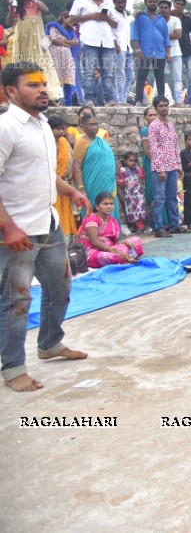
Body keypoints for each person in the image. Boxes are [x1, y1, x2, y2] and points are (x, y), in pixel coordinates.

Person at [0, 61, 91, 392]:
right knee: (16, 300)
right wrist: (8, 228)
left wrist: (70, 191)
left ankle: (50, 344)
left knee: (60, 288)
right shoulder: (6, 127)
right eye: (32, 85)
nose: (42, 89)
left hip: (47, 223)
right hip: (15, 231)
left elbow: (39, 171)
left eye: (43, 84)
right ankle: (12, 368)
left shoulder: (40, 125)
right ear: (11, 91)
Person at [5, 0, 62, 100]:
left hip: (37, 41)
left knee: (41, 62)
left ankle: (47, 95)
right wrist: (11, 8)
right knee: (23, 64)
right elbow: (9, 22)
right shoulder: (17, 6)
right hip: (23, 41)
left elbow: (46, 9)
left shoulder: (36, 3)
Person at [67, 0, 119, 106]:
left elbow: (115, 24)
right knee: (88, 71)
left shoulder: (108, 3)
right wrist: (90, 16)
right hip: (89, 41)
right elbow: (71, 19)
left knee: (108, 72)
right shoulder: (80, 1)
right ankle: (89, 99)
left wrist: (105, 17)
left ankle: (109, 100)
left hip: (107, 42)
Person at [148, 96, 189, 238]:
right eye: (160, 106)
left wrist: (179, 165)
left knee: (172, 197)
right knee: (159, 198)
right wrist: (160, 169)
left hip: (172, 166)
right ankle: (158, 227)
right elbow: (154, 148)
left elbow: (175, 147)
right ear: (156, 108)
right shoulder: (154, 126)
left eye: (166, 105)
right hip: (161, 168)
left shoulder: (170, 125)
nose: (164, 108)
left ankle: (174, 224)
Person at [72, 113, 120, 229]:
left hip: (108, 183)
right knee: (95, 208)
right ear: (83, 127)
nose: (94, 127)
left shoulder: (102, 141)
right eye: (91, 124)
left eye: (96, 124)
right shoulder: (81, 142)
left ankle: (111, 235)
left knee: (109, 206)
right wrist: (81, 188)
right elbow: (77, 167)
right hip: (92, 184)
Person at [79, 192, 144, 268]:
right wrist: (114, 250)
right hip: (92, 251)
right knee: (115, 257)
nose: (109, 206)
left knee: (136, 240)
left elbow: (115, 242)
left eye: (111, 203)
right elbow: (94, 242)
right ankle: (125, 258)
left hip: (109, 247)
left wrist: (126, 242)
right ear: (97, 207)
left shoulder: (112, 220)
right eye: (105, 204)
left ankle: (125, 257)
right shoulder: (92, 219)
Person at [130, 0, 171, 106]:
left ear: (156, 3)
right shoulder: (139, 17)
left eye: (154, 1)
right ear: (146, 3)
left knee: (160, 77)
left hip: (160, 52)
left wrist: (168, 53)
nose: (152, 3)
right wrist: (137, 49)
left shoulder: (161, 19)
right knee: (141, 76)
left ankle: (161, 101)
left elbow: (166, 37)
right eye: (150, 1)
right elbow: (134, 34)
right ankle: (138, 100)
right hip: (144, 52)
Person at [47, 116, 79, 238]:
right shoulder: (45, 143)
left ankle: (66, 242)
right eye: (57, 129)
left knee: (65, 214)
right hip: (50, 186)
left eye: (62, 129)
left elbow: (70, 161)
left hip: (64, 185)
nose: (61, 132)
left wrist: (69, 179)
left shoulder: (64, 143)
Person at [44, 11, 79, 105]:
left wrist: (64, 42)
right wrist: (67, 43)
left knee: (67, 80)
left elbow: (76, 41)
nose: (72, 21)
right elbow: (54, 39)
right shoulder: (53, 26)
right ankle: (52, 102)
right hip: (55, 55)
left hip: (67, 56)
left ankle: (68, 104)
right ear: (63, 18)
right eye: (69, 18)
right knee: (54, 78)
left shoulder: (71, 30)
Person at [109, 0, 134, 104]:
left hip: (128, 48)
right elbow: (110, 31)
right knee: (120, 74)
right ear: (114, 2)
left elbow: (130, 20)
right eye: (119, 2)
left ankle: (123, 98)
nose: (121, 4)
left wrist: (136, 14)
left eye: (123, 2)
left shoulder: (125, 14)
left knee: (131, 75)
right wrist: (115, 44)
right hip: (119, 47)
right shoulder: (112, 14)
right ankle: (120, 99)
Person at [117, 152, 147, 234]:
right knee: (132, 209)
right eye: (130, 160)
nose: (132, 163)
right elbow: (123, 180)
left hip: (138, 191)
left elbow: (142, 177)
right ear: (125, 161)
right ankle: (136, 225)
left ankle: (141, 225)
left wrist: (143, 173)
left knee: (140, 207)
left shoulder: (137, 169)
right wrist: (121, 182)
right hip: (129, 193)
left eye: (134, 161)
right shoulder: (122, 170)